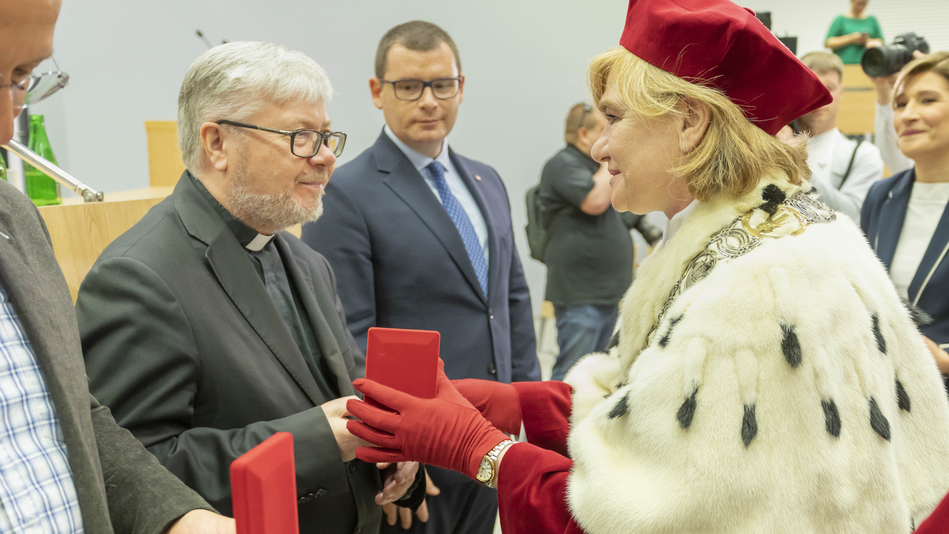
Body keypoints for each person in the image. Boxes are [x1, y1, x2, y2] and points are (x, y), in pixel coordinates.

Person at [343, 1, 949, 533]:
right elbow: (676, 418)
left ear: (689, 124)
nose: (599, 145)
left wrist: (480, 449)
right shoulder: (765, 233)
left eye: (613, 118)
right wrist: (528, 404)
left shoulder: (756, 289)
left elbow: (633, 518)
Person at [74, 42, 423, 533]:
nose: (326, 158)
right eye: (301, 136)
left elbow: (346, 401)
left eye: (326, 136)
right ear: (217, 143)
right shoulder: (139, 276)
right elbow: (135, 475)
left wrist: (391, 452)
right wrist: (321, 439)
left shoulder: (307, 261)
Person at [0, 0, 234, 532]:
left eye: (23, 78)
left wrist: (182, 518)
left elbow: (72, 415)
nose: (5, 126)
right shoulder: (141, 271)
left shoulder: (15, 216)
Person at [301, 20, 540, 534]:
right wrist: (393, 445)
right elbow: (346, 334)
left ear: (461, 86)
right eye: (409, 87)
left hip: (492, 441)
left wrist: (525, 405)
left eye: (442, 85)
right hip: (419, 454)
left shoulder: (486, 179)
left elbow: (509, 299)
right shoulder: (347, 193)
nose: (428, 101)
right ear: (376, 93)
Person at [539, 102, 661, 381]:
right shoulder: (563, 164)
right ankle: (558, 426)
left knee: (600, 374)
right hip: (581, 293)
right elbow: (594, 201)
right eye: (606, 127)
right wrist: (612, 156)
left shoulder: (596, 170)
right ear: (583, 135)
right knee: (573, 373)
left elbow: (627, 212)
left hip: (609, 293)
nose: (612, 134)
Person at [861, 51, 949, 386]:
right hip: (884, 394)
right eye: (900, 104)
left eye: (927, 100)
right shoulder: (881, 196)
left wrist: (945, 359)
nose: (909, 115)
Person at [797, 51, 884, 220]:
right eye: (811, 86)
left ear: (841, 92)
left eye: (828, 88)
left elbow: (852, 216)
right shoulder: (770, 142)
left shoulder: (863, 154)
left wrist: (793, 163)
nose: (819, 96)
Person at [825, 0, 884, 65]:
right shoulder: (840, 20)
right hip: (844, 64)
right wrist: (851, 38)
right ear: (852, 1)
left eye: (864, 3)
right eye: (859, 3)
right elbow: (828, 42)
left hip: (868, 65)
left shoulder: (872, 20)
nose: (862, 6)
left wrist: (867, 40)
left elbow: (881, 42)